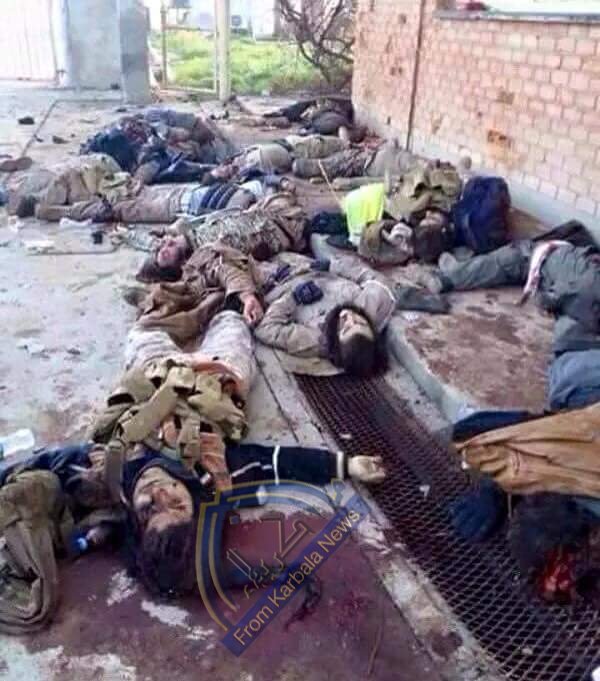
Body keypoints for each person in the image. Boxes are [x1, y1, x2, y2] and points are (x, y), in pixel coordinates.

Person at [254, 252, 447, 376]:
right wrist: (333, 266)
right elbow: (374, 280)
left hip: (275, 278)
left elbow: (266, 328)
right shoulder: (367, 307)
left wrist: (292, 299)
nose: (349, 317)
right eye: (360, 323)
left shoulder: (316, 339)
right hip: (305, 263)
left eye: (345, 328)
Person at [134, 193, 308, 284]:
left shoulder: (190, 233)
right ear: (177, 266)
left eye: (162, 246)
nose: (165, 245)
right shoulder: (204, 260)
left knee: (285, 195)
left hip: (263, 211)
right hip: (283, 227)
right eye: (165, 254)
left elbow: (159, 235)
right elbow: (232, 274)